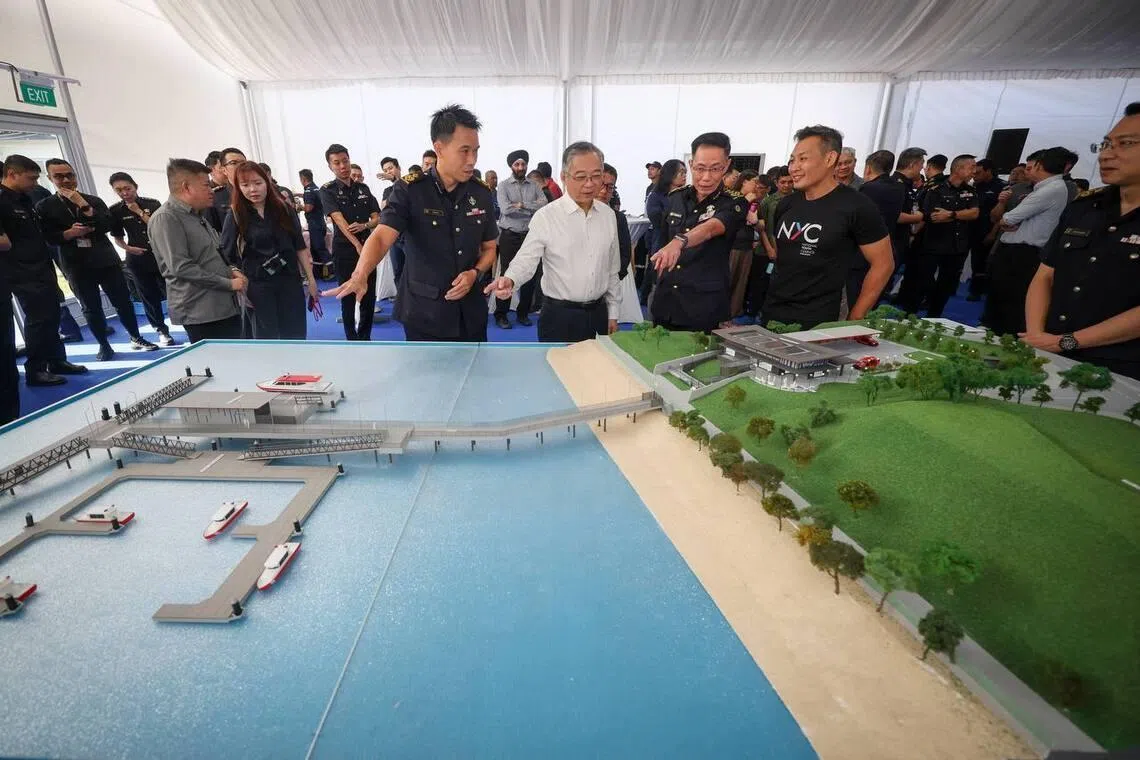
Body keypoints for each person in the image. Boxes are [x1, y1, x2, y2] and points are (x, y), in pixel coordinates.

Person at [325, 104, 497, 342]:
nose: (472, 160)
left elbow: (489, 248)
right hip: (424, 313)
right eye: (464, 151)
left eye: (476, 151)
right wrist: (360, 274)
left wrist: (475, 273)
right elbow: (382, 236)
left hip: (470, 312)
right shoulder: (411, 189)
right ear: (439, 148)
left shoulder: (481, 193)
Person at [1021, 102, 1140, 380]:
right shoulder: (1084, 208)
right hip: (1049, 351)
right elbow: (1045, 274)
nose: (1106, 155)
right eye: (1105, 144)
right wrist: (1038, 335)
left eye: (1126, 144)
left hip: (1119, 367)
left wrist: (1067, 341)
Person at [485, 142, 619, 342]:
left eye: (596, 176)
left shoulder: (608, 216)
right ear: (564, 177)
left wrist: (613, 311)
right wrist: (510, 279)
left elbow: (612, 268)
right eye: (581, 176)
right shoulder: (547, 216)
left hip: (598, 314)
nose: (590, 184)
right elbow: (526, 259)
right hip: (559, 317)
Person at [764, 126, 893, 328]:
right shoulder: (787, 204)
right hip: (773, 311)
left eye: (803, 159)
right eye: (792, 160)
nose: (794, 167)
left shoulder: (857, 206)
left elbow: (883, 264)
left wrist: (856, 317)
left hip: (821, 318)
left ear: (830, 158)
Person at [37, 159, 158, 361]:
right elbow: (48, 237)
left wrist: (83, 206)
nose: (66, 180)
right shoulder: (45, 206)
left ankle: (136, 337)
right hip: (76, 264)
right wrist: (69, 233)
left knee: (123, 301)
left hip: (105, 259)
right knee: (90, 307)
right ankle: (104, 345)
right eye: (59, 176)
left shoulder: (92, 200)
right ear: (50, 178)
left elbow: (107, 225)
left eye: (69, 175)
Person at [0, 155, 87, 387]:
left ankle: (56, 361)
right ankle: (36, 370)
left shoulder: (26, 198)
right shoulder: (2, 201)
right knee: (38, 320)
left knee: (52, 315)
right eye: (31, 178)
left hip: (42, 265)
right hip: (21, 271)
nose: (35, 183)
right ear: (12, 174)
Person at [650, 132, 747, 332]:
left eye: (715, 169)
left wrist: (679, 241)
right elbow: (664, 240)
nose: (706, 177)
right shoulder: (675, 198)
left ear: (726, 166)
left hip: (703, 306)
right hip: (667, 301)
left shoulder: (735, 202)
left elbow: (711, 228)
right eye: (700, 168)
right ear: (691, 164)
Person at [148, 158, 247, 343]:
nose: (211, 191)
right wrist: (228, 284)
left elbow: (210, 255)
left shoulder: (195, 215)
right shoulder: (167, 218)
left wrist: (231, 271)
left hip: (221, 305)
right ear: (186, 187)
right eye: (206, 186)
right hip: (201, 311)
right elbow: (181, 267)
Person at [221, 161, 318, 339]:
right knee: (267, 336)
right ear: (238, 188)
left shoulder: (284, 209)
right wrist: (238, 278)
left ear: (267, 182)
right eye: (245, 185)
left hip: (289, 280)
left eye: (258, 183)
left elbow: (299, 246)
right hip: (259, 285)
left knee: (295, 334)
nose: (253, 189)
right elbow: (227, 255)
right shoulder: (236, 215)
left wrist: (311, 280)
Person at [983, 147, 1071, 336]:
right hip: (1016, 250)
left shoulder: (1051, 189)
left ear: (1040, 165)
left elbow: (1008, 219)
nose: (1027, 171)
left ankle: (1002, 336)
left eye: (1031, 167)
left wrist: (1007, 221)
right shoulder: (1044, 188)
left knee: (1011, 299)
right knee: (1000, 294)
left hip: (1023, 252)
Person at [897, 155, 979, 317]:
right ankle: (909, 316)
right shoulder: (936, 188)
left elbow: (974, 213)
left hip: (956, 246)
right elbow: (934, 216)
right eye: (971, 167)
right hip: (933, 243)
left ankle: (934, 318)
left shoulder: (970, 191)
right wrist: (961, 214)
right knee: (921, 282)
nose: (974, 172)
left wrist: (952, 214)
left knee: (946, 286)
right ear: (959, 169)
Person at [319, 143, 381, 340]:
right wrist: (357, 245)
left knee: (369, 296)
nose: (342, 166)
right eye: (337, 163)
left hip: (368, 247)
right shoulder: (327, 191)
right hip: (345, 250)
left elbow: (378, 217)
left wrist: (365, 226)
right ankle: (351, 339)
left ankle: (365, 337)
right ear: (330, 166)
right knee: (347, 295)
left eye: (345, 161)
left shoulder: (363, 188)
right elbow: (339, 220)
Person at [107, 171, 177, 346]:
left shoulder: (152, 204)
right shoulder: (115, 210)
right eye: (119, 190)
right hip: (137, 258)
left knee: (174, 291)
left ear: (135, 186)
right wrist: (129, 249)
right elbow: (117, 237)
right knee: (149, 296)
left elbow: (159, 226)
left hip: (160, 255)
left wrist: (138, 211)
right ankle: (161, 330)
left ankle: (185, 321)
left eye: (127, 188)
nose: (125, 193)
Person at [495, 148, 547, 328]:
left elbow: (544, 204)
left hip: (529, 236)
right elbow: (505, 209)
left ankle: (523, 313)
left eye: (523, 164)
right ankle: (501, 314)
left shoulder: (534, 185)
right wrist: (530, 208)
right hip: (509, 236)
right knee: (506, 274)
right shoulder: (503, 186)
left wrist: (521, 205)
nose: (520, 167)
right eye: (517, 164)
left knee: (530, 274)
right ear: (511, 166)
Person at [857, 150, 907, 305]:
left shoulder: (868, 189)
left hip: (864, 250)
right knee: (874, 294)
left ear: (868, 168)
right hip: (888, 244)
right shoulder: (899, 188)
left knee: (859, 292)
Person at [640, 158, 686, 306]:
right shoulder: (656, 195)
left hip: (681, 245)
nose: (684, 176)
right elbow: (657, 220)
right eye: (681, 172)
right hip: (662, 242)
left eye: (685, 172)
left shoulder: (686, 195)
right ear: (670, 174)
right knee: (658, 285)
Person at [965, 158, 1006, 300]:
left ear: (988, 171)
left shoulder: (1001, 187)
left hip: (986, 229)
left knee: (980, 262)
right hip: (969, 228)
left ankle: (976, 291)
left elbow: (1002, 213)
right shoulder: (974, 186)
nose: (975, 175)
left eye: (979, 172)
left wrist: (993, 233)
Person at [727, 170, 762, 318]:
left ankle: (733, 313)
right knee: (728, 280)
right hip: (732, 245)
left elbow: (756, 222)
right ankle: (720, 314)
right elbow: (731, 217)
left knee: (741, 282)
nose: (757, 185)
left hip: (747, 245)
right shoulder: (732, 197)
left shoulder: (755, 201)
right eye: (755, 181)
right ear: (744, 181)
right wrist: (746, 201)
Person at [598, 163, 632, 281]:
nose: (604, 191)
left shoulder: (618, 218)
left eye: (610, 187)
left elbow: (625, 254)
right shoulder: (577, 214)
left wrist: (613, 279)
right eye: (601, 185)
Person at [298, 169, 331, 278]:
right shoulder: (316, 188)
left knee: (319, 248)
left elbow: (308, 208)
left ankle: (331, 272)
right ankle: (318, 273)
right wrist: (298, 194)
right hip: (320, 222)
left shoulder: (308, 191)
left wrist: (298, 207)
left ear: (303, 179)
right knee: (315, 249)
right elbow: (313, 197)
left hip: (315, 224)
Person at [207, 147, 246, 232]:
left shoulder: (257, 190)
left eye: (243, 163)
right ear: (224, 170)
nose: (240, 166)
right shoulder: (215, 197)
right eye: (233, 163)